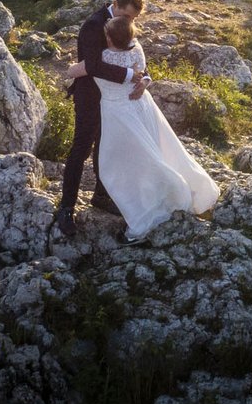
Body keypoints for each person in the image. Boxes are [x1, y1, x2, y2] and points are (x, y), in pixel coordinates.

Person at [94, 13, 220, 241]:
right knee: (159, 149)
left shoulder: (104, 58)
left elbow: (83, 70)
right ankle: (176, 190)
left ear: (110, 39)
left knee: (120, 164)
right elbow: (142, 72)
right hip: (142, 107)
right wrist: (144, 80)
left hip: (120, 114)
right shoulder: (137, 50)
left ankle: (167, 193)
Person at [52, 0, 149, 239]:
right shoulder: (93, 25)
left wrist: (145, 79)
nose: (129, 23)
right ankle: (66, 208)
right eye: (127, 16)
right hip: (90, 97)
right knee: (81, 149)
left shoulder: (123, 25)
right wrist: (130, 76)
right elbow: (93, 65)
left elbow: (135, 54)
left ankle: (100, 195)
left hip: (113, 100)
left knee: (105, 147)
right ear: (115, 4)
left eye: (133, 19)